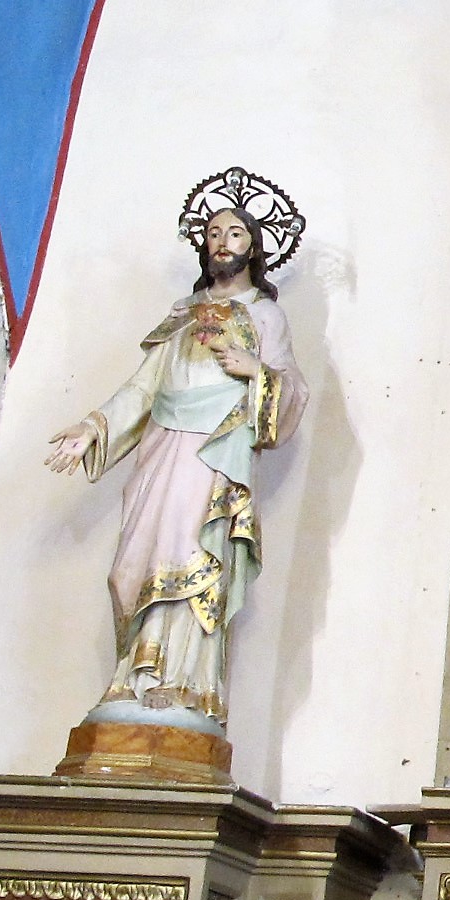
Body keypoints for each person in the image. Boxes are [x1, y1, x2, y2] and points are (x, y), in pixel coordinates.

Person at [45, 206, 309, 734]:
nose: (222, 241)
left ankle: (185, 683)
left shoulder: (264, 315)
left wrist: (256, 370)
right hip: (162, 446)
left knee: (192, 555)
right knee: (134, 565)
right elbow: (144, 388)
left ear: (253, 247)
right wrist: (93, 427)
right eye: (213, 233)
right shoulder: (183, 313)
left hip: (214, 453)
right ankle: (133, 674)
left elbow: (294, 390)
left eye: (235, 233)